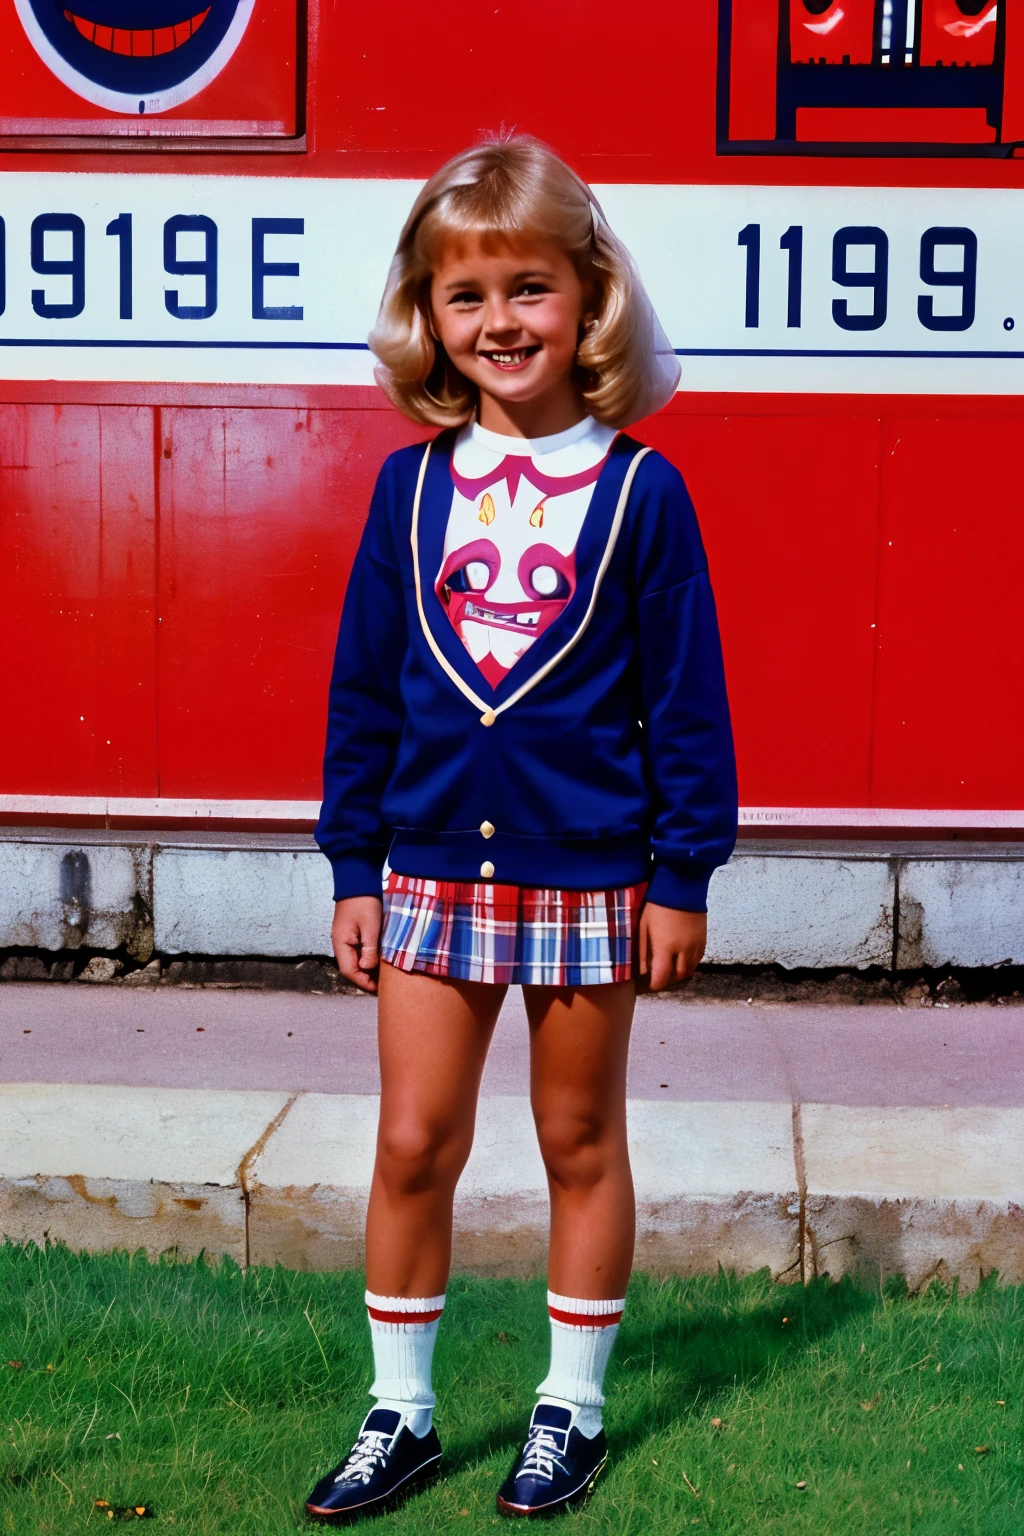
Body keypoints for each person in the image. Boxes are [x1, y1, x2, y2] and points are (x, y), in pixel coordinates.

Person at [306, 135, 737, 1522]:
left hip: (592, 874)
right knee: (414, 1139)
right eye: (468, 295)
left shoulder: (643, 491)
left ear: (589, 297)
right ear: (428, 314)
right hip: (427, 867)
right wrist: (351, 861)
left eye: (530, 289)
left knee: (579, 1141)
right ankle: (402, 1414)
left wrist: (682, 876)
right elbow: (365, 684)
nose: (501, 322)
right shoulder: (408, 488)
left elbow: (686, 705)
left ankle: (572, 1410)